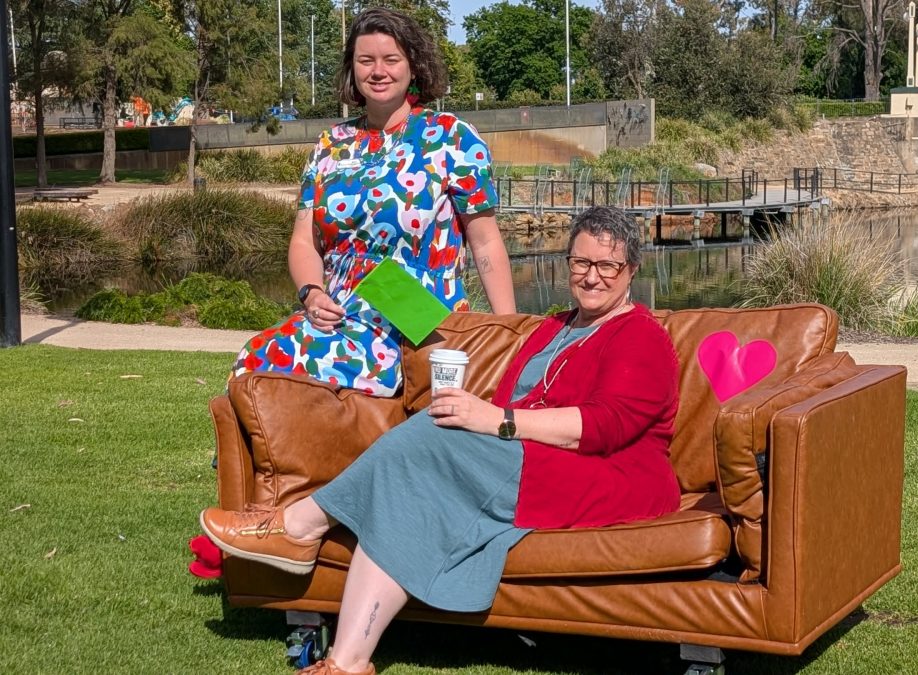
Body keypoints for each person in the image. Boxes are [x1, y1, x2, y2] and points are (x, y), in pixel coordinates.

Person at [201, 206, 680, 675]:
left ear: (631, 270)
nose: (592, 276)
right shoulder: (553, 327)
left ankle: (299, 526)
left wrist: (498, 420)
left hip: (606, 475)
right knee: (406, 489)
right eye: (581, 262)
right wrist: (482, 415)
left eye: (607, 265)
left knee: (433, 427)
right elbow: (511, 402)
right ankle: (347, 663)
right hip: (530, 457)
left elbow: (602, 428)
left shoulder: (640, 335)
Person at [231, 7, 515, 398]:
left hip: (417, 315)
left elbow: (485, 243)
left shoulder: (451, 138)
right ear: (353, 68)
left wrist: (510, 333)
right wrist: (312, 294)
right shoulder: (330, 146)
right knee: (252, 361)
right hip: (339, 311)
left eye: (391, 59)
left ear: (413, 66)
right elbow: (303, 241)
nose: (378, 71)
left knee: (305, 368)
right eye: (366, 60)